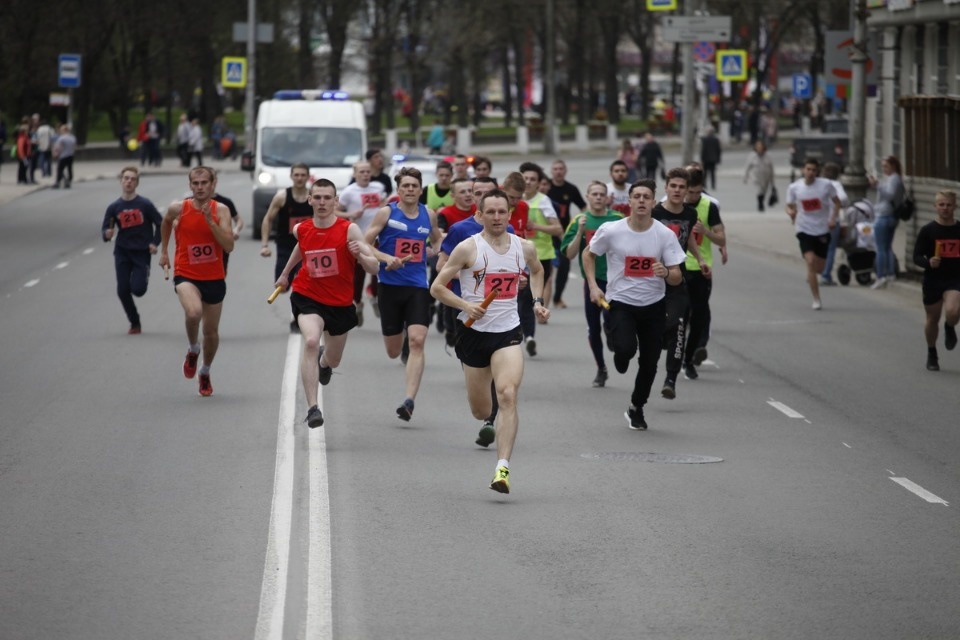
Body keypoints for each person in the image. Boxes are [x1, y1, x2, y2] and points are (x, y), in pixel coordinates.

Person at [430, 189, 549, 494]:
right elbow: (437, 288)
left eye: (502, 212)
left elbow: (538, 271)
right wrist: (466, 305)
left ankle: (502, 469)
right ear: (479, 216)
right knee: (481, 411)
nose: (497, 217)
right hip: (472, 333)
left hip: (508, 332)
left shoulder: (524, 248)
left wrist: (537, 300)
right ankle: (487, 420)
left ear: (510, 215)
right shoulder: (467, 249)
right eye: (491, 212)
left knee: (508, 394)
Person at [275, 179, 382, 427]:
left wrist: (360, 255)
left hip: (340, 303)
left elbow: (374, 266)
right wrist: (286, 273)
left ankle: (325, 363)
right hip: (307, 295)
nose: (322, 202)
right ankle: (313, 408)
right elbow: (302, 248)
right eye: (318, 197)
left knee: (333, 359)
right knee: (311, 340)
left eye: (327, 198)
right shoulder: (301, 229)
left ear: (336, 201)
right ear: (309, 200)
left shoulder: (349, 230)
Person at [582, 179, 687, 431]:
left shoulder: (664, 234)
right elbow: (589, 254)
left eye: (646, 197)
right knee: (626, 350)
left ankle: (636, 407)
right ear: (628, 201)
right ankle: (620, 349)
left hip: (654, 305)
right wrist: (594, 287)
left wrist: (664, 273)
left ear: (653, 202)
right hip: (621, 303)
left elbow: (677, 276)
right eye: (636, 196)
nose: (641, 200)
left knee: (650, 362)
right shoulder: (612, 229)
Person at [364, 167, 443, 422]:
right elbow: (365, 243)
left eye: (414, 186)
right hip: (388, 286)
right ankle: (400, 343)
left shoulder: (428, 215)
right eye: (405, 186)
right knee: (393, 350)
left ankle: (409, 401)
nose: (410, 190)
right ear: (398, 191)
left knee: (418, 340)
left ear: (421, 190)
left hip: (418, 286)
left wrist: (434, 251)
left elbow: (437, 239)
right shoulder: (387, 213)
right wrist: (388, 258)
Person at [158, 166, 235, 396]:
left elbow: (229, 246)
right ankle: (193, 349)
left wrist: (211, 222)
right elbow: (165, 223)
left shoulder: (221, 211)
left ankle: (205, 371)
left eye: (204, 183)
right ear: (190, 185)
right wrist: (164, 251)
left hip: (214, 277)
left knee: (211, 332)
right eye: (196, 183)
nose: (200, 187)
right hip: (186, 273)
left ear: (213, 185)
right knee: (193, 313)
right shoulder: (178, 208)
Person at [560, 180, 624, 387]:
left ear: (607, 197)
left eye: (601, 194)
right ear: (587, 197)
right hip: (592, 281)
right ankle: (601, 368)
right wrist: (580, 232)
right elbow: (569, 255)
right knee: (593, 328)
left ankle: (612, 333)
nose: (598, 197)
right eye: (594, 194)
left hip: (615, 281)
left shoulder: (618, 220)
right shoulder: (580, 219)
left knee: (610, 317)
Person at [652, 168, 706, 398]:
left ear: (686, 190)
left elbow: (689, 237)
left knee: (679, 325)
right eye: (673, 186)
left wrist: (701, 258)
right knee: (656, 327)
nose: (677, 190)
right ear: (666, 188)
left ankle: (670, 379)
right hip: (652, 278)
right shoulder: (654, 212)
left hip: (677, 276)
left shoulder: (690, 213)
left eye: (681, 187)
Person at [101, 167, 163, 334]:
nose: (129, 181)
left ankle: (144, 275)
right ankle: (134, 322)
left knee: (138, 290)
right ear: (121, 181)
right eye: (126, 178)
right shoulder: (114, 207)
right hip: (122, 251)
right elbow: (106, 229)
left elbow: (160, 223)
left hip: (142, 251)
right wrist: (107, 233)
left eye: (132, 179)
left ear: (137, 183)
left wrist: (155, 243)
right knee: (122, 290)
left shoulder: (145, 204)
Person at [681, 167, 725, 379]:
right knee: (679, 314)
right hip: (677, 268)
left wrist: (705, 232)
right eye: (691, 192)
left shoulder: (709, 206)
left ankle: (688, 360)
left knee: (697, 317)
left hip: (701, 269)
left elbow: (721, 238)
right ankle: (676, 352)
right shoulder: (672, 204)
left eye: (698, 192)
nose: (694, 197)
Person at [260, 163, 315, 332]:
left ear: (308, 177)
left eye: (302, 175)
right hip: (286, 246)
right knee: (283, 288)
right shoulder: (282, 197)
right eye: (296, 175)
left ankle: (297, 317)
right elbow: (268, 219)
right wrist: (264, 245)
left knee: (303, 282)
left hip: (308, 248)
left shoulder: (313, 198)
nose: (299, 178)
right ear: (291, 177)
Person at [785, 157, 842, 310]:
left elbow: (837, 202)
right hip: (804, 228)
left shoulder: (826, 185)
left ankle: (811, 274)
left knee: (820, 269)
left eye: (814, 170)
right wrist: (790, 212)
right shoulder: (794, 187)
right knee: (810, 261)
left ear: (818, 172)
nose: (810, 173)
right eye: (808, 169)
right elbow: (789, 205)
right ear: (803, 169)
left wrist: (833, 218)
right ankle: (816, 299)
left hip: (822, 229)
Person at [913, 191, 960, 371]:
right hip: (933, 279)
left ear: (955, 206)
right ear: (935, 206)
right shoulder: (928, 230)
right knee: (932, 318)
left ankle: (949, 327)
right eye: (941, 204)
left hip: (955, 278)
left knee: (953, 311)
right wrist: (928, 262)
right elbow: (916, 256)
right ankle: (932, 353)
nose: (945, 208)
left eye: (948, 205)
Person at [519, 162, 561, 351]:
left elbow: (557, 228)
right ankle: (525, 334)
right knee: (521, 297)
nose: (528, 182)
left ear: (538, 183)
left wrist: (535, 226)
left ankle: (528, 337)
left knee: (528, 296)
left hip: (540, 255)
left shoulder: (543, 201)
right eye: (525, 178)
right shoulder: (512, 200)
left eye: (533, 179)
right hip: (517, 254)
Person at [338, 159, 387, 325]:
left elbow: (384, 205)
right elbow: (335, 211)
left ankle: (375, 297)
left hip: (379, 237)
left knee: (378, 270)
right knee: (358, 276)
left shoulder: (378, 188)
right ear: (355, 174)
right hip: (359, 238)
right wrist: (351, 214)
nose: (365, 174)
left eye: (368, 172)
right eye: (362, 172)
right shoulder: (348, 192)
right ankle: (357, 304)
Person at [547, 159, 587, 310]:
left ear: (565, 171)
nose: (558, 171)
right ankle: (541, 299)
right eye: (555, 169)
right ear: (551, 171)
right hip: (547, 233)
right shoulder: (546, 187)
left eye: (561, 169)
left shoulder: (571, 189)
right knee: (546, 270)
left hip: (565, 233)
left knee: (564, 266)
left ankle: (557, 298)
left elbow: (583, 207)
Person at [868, 155, 905, 289]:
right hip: (890, 215)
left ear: (893, 166)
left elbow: (890, 195)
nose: (884, 169)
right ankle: (890, 273)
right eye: (882, 166)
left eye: (886, 166)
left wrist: (878, 185)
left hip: (885, 215)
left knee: (881, 248)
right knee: (887, 246)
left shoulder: (894, 179)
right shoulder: (893, 179)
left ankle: (880, 275)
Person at [819, 162, 850, 286]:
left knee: (820, 249)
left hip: (818, 222)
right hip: (832, 221)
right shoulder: (836, 185)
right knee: (830, 249)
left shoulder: (818, 184)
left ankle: (815, 272)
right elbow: (843, 199)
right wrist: (835, 205)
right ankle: (826, 276)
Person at [744, 140, 775, 212]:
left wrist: (772, 180)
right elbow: (747, 167)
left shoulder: (768, 155)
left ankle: (761, 201)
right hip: (756, 177)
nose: (759, 149)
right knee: (759, 191)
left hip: (766, 177)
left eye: (760, 147)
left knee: (764, 191)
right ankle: (760, 204)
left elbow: (771, 167)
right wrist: (745, 177)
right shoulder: (752, 156)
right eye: (758, 147)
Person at [52, 124, 76, 189]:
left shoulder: (61, 138)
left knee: (59, 169)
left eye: (61, 130)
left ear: (63, 130)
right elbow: (74, 147)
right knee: (69, 169)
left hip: (63, 156)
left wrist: (55, 154)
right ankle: (68, 180)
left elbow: (58, 147)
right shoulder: (72, 137)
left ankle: (58, 182)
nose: (60, 131)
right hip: (71, 155)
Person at [699, 126, 722, 191]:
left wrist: (702, 159)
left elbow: (703, 150)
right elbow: (718, 150)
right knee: (712, 173)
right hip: (713, 159)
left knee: (705, 173)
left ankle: (704, 185)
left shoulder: (705, 140)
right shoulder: (716, 140)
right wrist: (718, 159)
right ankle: (713, 185)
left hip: (706, 159)